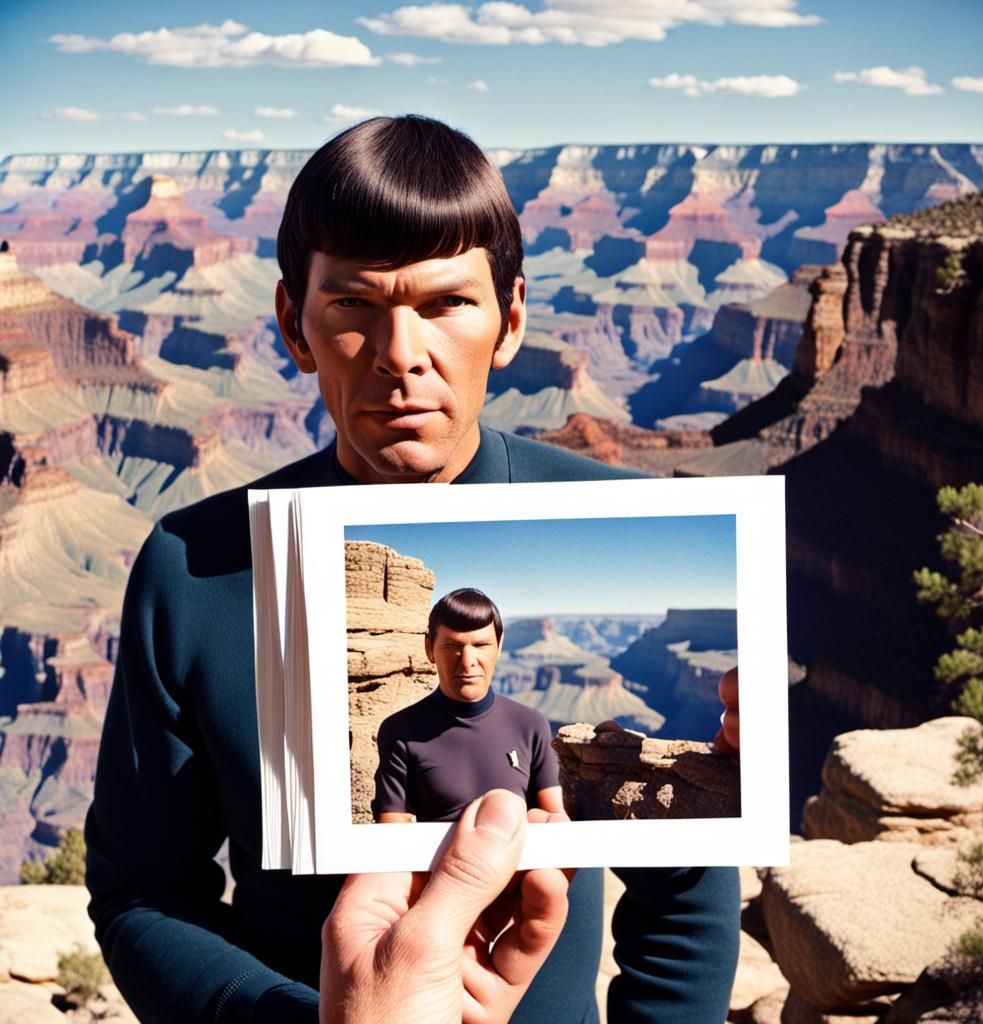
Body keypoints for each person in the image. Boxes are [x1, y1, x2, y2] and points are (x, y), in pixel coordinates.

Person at [85, 114, 741, 1023]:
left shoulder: (614, 505)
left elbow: (683, 872)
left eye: (446, 304)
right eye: (354, 305)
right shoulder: (193, 569)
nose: (402, 356)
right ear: (294, 325)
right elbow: (142, 893)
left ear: (510, 322)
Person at [373, 588, 565, 824]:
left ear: (500, 645)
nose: (467, 662)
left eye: (481, 645)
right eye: (451, 646)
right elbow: (391, 837)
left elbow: (558, 828)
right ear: (429, 648)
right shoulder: (400, 732)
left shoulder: (530, 725)